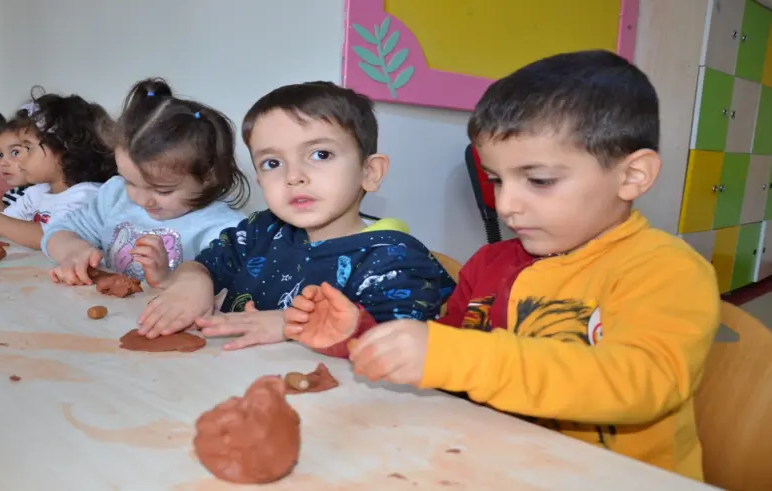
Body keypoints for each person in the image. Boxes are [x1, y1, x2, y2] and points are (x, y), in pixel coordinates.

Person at [284, 51, 719, 481]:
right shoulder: (490, 263)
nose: (506, 204)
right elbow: (445, 363)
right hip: (496, 465)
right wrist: (365, 338)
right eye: (496, 179)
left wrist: (455, 355)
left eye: (540, 180)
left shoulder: (665, 269)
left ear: (632, 176)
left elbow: (644, 382)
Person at [137, 81, 455, 352]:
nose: (294, 176)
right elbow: (207, 263)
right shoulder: (261, 230)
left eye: (321, 155)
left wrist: (293, 326)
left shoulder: (395, 261)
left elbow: (403, 348)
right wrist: (192, 281)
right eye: (273, 163)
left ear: (369, 172)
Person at [42, 78, 248, 288]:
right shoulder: (114, 195)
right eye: (129, 181)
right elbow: (59, 230)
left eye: (162, 190)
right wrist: (73, 251)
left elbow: (232, 296)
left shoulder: (225, 229)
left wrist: (169, 279)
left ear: (208, 176)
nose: (141, 199)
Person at [0, 94, 117, 249]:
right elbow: (8, 222)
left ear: (63, 149)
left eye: (27, 148)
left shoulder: (87, 195)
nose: (19, 159)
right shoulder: (38, 191)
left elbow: (51, 237)